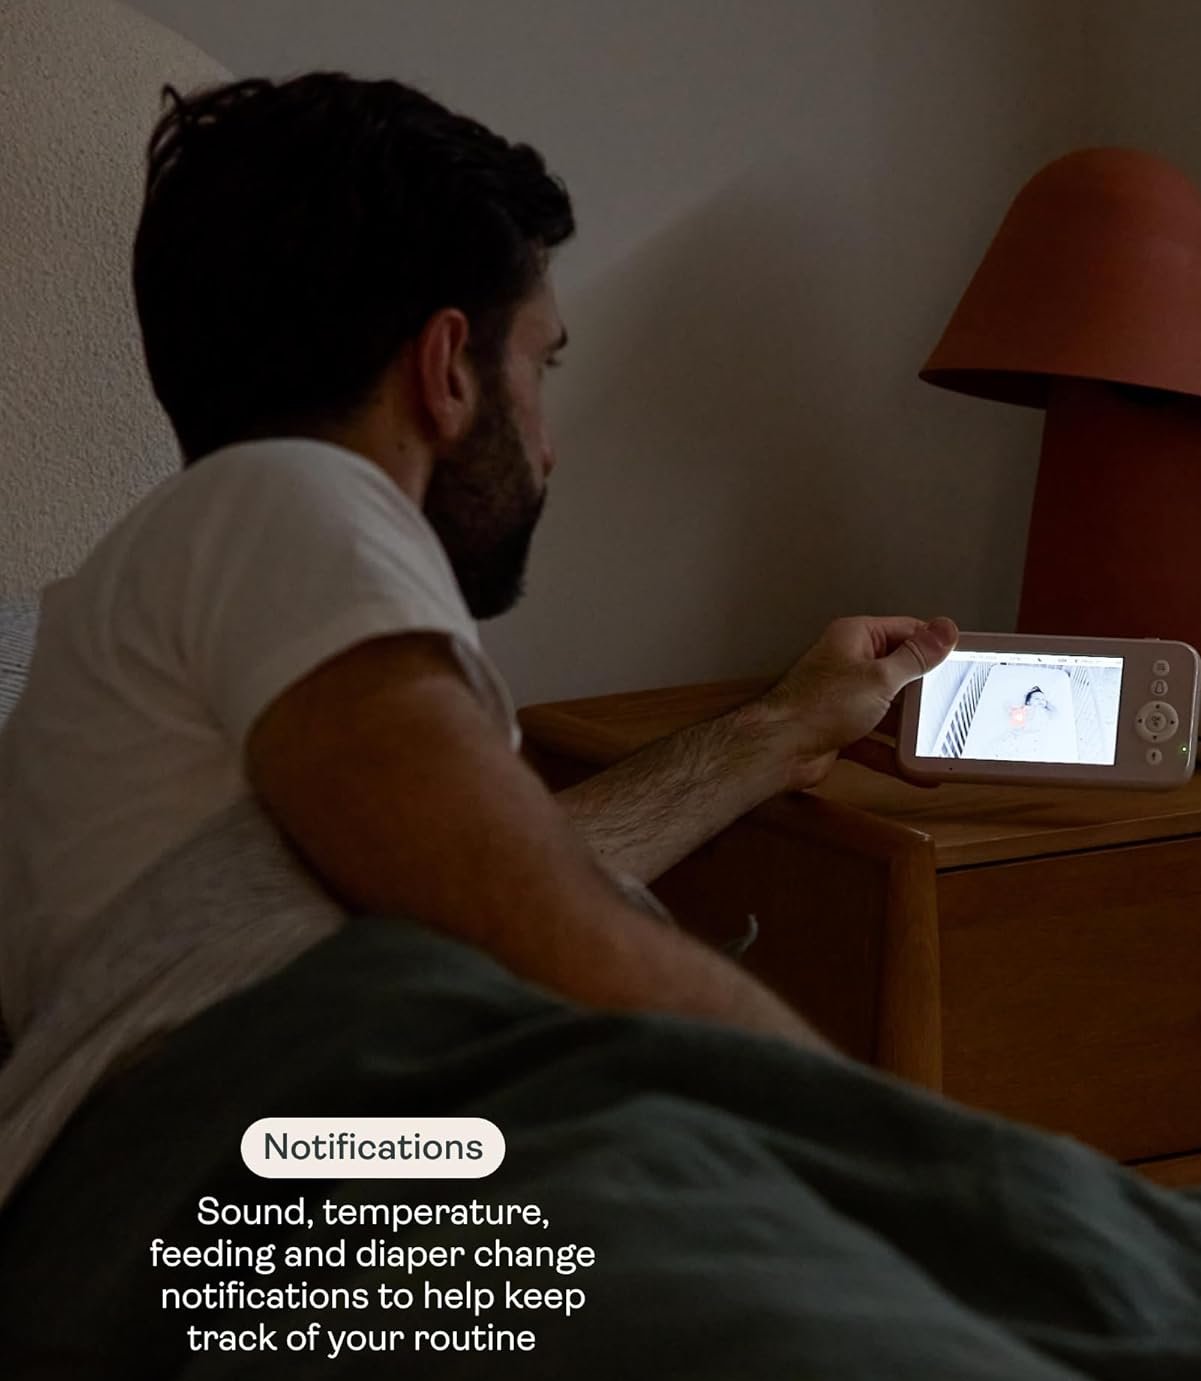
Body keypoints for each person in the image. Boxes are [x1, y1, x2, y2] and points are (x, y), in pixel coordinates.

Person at [0, 72, 958, 1204]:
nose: (547, 446)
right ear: (448, 368)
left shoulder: (188, 598)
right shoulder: (288, 499)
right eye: (541, 365)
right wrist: (929, 1186)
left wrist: (782, 729)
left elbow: (483, 874)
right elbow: (546, 924)